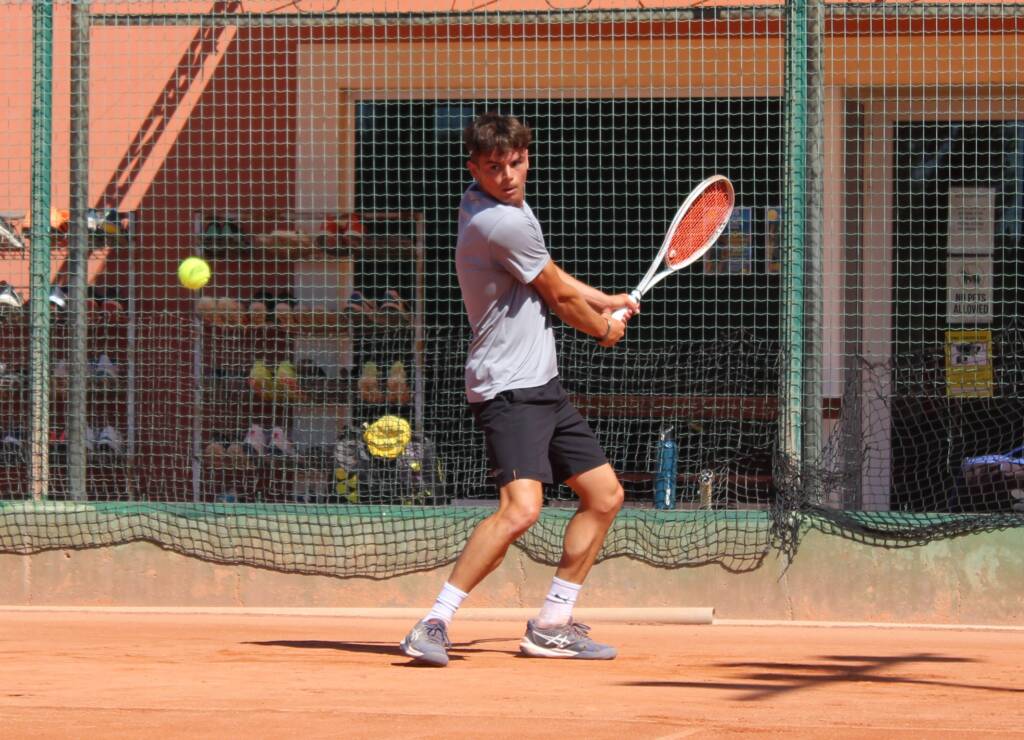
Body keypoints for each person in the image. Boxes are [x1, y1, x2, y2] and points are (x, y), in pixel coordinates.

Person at [400, 112, 638, 666]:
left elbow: (546, 274)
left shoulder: (505, 208)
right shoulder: (501, 222)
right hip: (508, 387)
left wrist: (608, 299)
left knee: (604, 497)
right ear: (473, 169)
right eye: (493, 167)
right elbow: (556, 296)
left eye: (515, 162)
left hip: (541, 384)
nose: (507, 175)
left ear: (526, 157)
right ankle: (434, 622)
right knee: (521, 509)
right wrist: (604, 328)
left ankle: (553, 622)